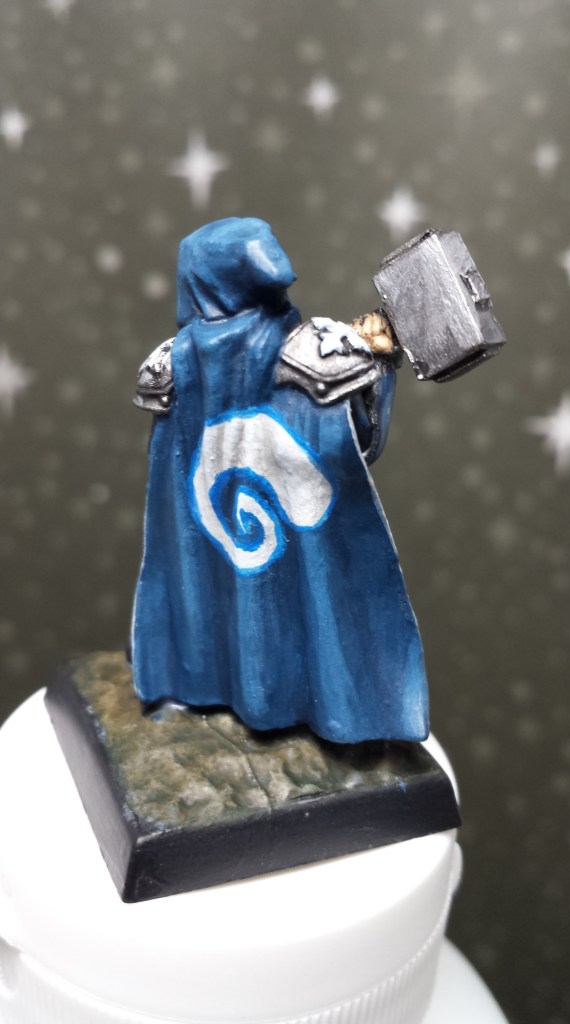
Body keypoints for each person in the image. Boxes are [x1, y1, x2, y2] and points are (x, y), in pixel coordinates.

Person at [131, 216, 428, 744]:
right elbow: (359, 444)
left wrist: (369, 359)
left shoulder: (169, 366)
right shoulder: (313, 351)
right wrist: (375, 360)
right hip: (250, 522)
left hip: (244, 523)